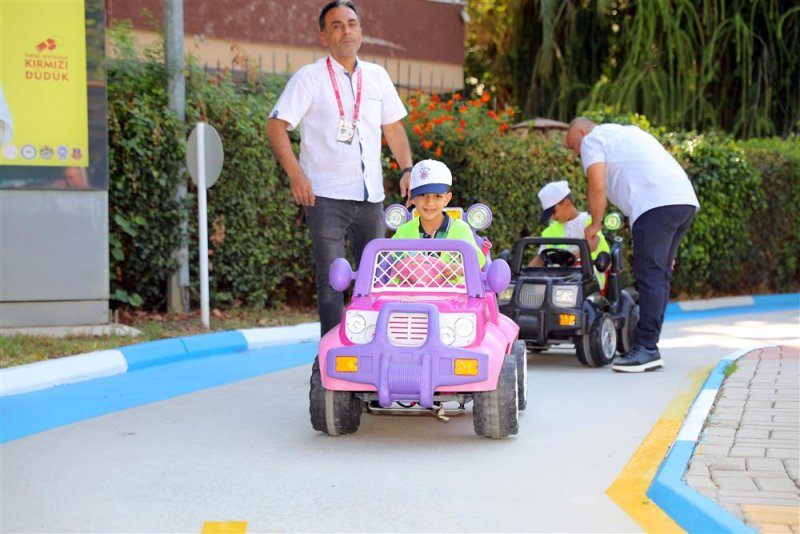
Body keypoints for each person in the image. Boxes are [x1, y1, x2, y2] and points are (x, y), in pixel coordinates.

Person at [266, 0, 413, 335]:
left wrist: (407, 169)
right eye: (336, 25)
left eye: (351, 23)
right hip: (325, 197)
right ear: (323, 36)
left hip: (370, 197)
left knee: (375, 280)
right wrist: (296, 175)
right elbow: (276, 125)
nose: (346, 30)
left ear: (360, 31)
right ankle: (332, 357)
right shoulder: (309, 79)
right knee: (332, 280)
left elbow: (393, 127)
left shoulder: (377, 76)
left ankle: (373, 349)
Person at [565, 117, 699, 373]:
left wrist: (594, 225)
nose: (576, 153)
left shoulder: (593, 139)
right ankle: (647, 344)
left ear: (581, 133)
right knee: (659, 274)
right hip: (683, 202)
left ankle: (647, 348)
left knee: (649, 275)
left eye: (573, 146)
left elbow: (597, 185)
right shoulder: (628, 133)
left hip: (655, 205)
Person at [392, 159, 485, 271]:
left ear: (447, 198)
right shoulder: (404, 231)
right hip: (414, 288)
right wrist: (404, 271)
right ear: (411, 196)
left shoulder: (460, 229)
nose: (429, 203)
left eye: (437, 196)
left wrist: (459, 269)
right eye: (422, 195)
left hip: (454, 288)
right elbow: (390, 264)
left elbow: (478, 260)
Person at [529, 180, 609, 287]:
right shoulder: (551, 231)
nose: (552, 217)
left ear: (567, 203)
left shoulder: (590, 223)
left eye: (553, 211)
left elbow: (606, 259)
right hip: (558, 285)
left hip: (590, 286)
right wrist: (524, 274)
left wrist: (563, 260)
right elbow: (541, 258)